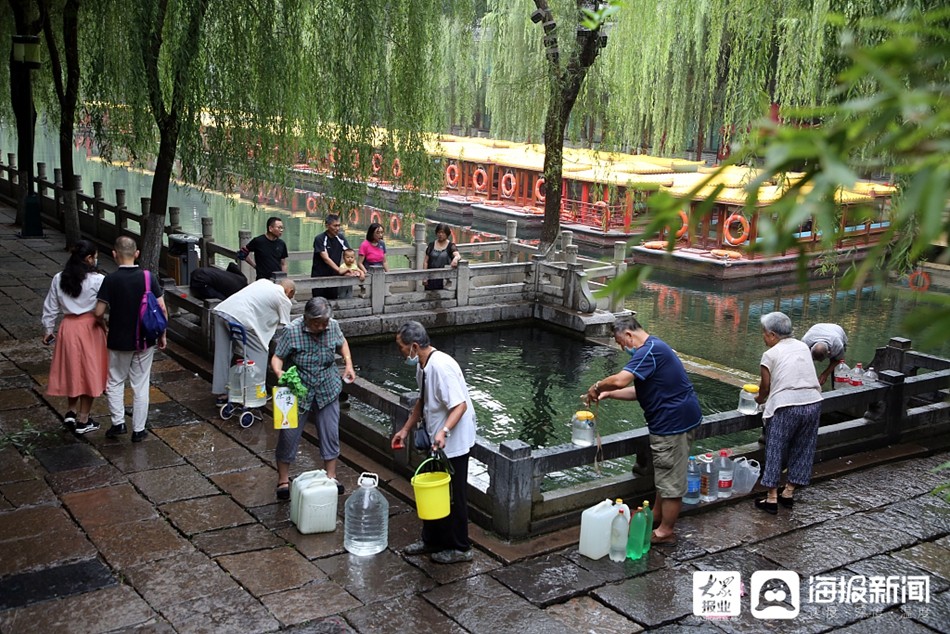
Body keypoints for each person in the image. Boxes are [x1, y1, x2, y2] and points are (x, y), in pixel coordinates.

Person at [585, 315, 702, 545]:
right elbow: (640, 391)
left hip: (672, 424)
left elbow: (620, 380)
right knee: (666, 473)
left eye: (620, 342)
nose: (621, 347)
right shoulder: (655, 349)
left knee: (670, 481)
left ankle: (665, 531)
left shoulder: (648, 351)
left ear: (628, 335)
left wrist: (597, 386)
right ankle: (657, 515)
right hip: (679, 418)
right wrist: (608, 394)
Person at [392, 321, 477, 564]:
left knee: (454, 494)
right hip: (436, 440)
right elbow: (423, 400)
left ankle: (461, 547)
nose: (400, 352)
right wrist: (406, 430)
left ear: (414, 346)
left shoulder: (441, 367)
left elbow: (459, 405)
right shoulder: (423, 365)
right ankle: (432, 540)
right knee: (433, 490)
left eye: (401, 347)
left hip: (453, 440)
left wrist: (444, 431)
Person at [272, 297, 355, 500]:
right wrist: (280, 373)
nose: (321, 327)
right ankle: (283, 480)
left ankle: (331, 476)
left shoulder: (332, 326)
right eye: (317, 323)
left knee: (330, 432)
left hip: (327, 386)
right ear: (306, 319)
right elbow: (277, 356)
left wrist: (348, 363)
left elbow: (342, 342)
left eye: (324, 323)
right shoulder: (292, 331)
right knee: (288, 434)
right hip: (297, 387)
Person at [94, 236, 167, 442]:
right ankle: (138, 429)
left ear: (114, 254)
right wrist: (162, 334)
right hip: (145, 339)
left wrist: (103, 324)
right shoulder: (147, 277)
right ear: (137, 254)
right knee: (140, 385)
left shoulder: (111, 279)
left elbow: (98, 311)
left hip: (118, 339)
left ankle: (118, 423)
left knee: (115, 382)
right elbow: (161, 309)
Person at [753, 312, 823, 515]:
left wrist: (757, 400)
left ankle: (772, 497)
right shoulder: (802, 346)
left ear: (772, 335)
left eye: (764, 333)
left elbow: (765, 388)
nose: (763, 337)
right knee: (804, 447)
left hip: (786, 406)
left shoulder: (770, 355)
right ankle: (789, 492)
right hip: (812, 401)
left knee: (775, 448)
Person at [42, 239, 108, 435]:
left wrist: (48, 330)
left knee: (72, 370)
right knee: (90, 373)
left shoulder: (59, 278)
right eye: (95, 257)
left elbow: (50, 306)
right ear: (89, 258)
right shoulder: (98, 280)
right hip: (90, 328)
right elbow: (102, 309)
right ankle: (83, 419)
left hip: (68, 328)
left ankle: (70, 411)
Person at [211, 278, 296, 406]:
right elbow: (287, 327)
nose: (290, 299)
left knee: (222, 354)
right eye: (291, 296)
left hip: (223, 311)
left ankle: (222, 393)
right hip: (241, 318)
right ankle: (255, 396)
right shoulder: (282, 297)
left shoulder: (263, 282)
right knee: (260, 352)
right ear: (290, 291)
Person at [310, 213, 350, 299]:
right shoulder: (320, 239)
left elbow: (349, 254)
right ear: (327, 226)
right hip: (319, 277)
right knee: (318, 302)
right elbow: (326, 258)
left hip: (334, 276)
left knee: (333, 301)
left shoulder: (341, 238)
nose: (337, 229)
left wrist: (352, 269)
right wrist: (339, 270)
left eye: (339, 226)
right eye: (335, 226)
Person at [423, 223, 460, 290]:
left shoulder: (450, 246)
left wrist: (455, 259)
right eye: (439, 232)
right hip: (431, 276)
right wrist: (425, 277)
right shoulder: (431, 245)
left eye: (443, 233)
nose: (440, 234)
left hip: (443, 278)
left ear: (447, 234)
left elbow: (457, 255)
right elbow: (426, 261)